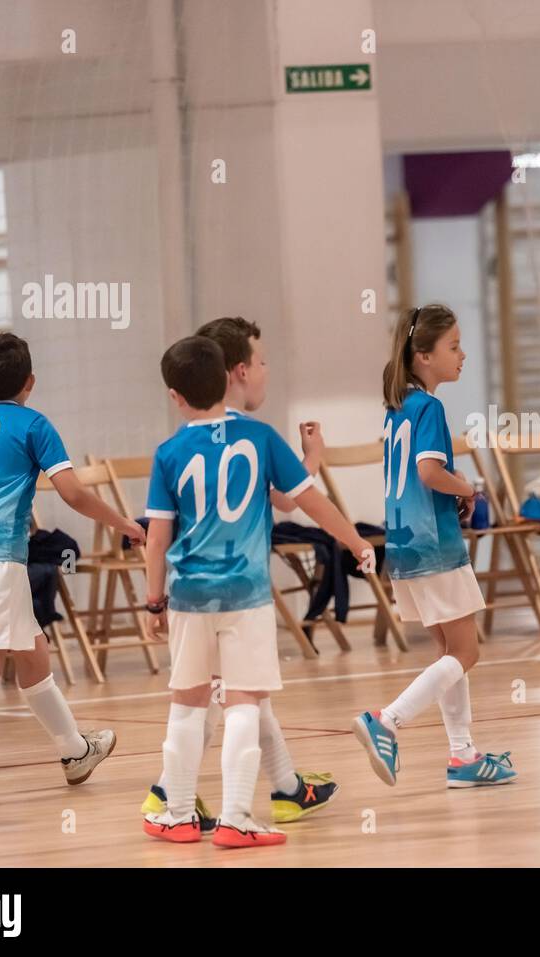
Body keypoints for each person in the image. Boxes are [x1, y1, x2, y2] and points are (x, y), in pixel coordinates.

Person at [140, 336, 374, 847]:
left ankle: (177, 814)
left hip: (188, 594)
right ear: (229, 378)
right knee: (243, 701)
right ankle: (237, 817)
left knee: (187, 704)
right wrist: (356, 540)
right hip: (246, 594)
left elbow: (157, 538)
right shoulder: (262, 437)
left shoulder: (169, 452)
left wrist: (154, 601)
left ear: (175, 396)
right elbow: (308, 502)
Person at [0, 332, 138, 806]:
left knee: (33, 651)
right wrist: (124, 522)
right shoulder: (35, 425)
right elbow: (73, 492)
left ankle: (75, 752)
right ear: (30, 381)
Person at [351, 304, 517, 789]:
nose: (462, 355)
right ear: (423, 355)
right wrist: (467, 488)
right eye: (454, 346)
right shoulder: (428, 407)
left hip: (404, 546)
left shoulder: (397, 406)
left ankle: (463, 756)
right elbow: (428, 472)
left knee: (448, 649)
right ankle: (387, 720)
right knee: (466, 652)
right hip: (434, 544)